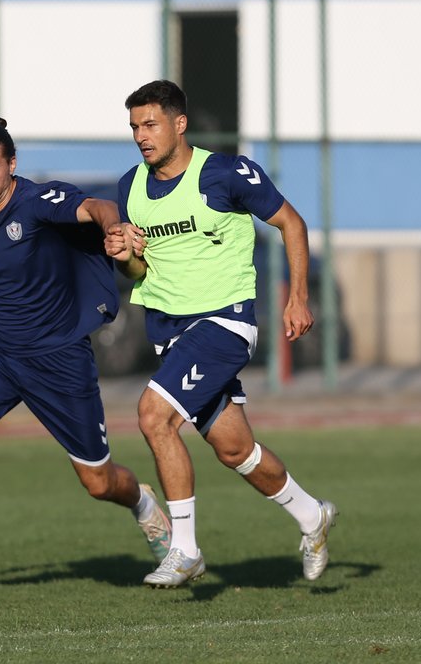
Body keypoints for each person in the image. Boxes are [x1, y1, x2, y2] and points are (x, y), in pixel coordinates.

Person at [0, 116, 172, 598]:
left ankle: (143, 503)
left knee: (99, 482)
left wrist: (115, 230)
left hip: (59, 359)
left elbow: (99, 206)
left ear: (12, 164)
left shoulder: (39, 202)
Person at [104, 80, 337, 588]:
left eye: (150, 124)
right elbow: (139, 274)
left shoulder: (226, 173)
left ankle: (184, 550)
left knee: (153, 416)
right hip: (169, 330)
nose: (141, 136)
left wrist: (297, 296)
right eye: (134, 128)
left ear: (178, 123)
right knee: (236, 451)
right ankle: (311, 516)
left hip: (225, 323)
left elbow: (291, 224)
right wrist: (126, 258)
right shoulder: (130, 187)